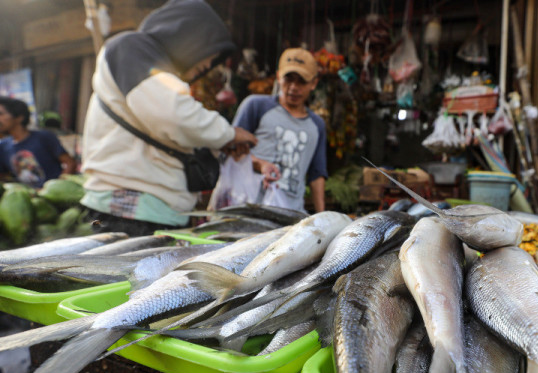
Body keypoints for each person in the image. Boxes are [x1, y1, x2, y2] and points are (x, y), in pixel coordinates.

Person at [80, 0, 265, 235]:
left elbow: (169, 129)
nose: (208, 65)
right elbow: (174, 116)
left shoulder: (157, 75)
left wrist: (219, 148)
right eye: (209, 54)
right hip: (131, 210)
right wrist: (228, 133)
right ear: (190, 36)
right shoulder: (131, 47)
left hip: (148, 210)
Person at [230, 47, 328, 213]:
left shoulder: (317, 125)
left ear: (314, 83)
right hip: (248, 208)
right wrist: (261, 165)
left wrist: (323, 218)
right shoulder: (256, 106)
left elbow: (316, 175)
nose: (293, 87)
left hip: (290, 216)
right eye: (288, 79)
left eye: (301, 81)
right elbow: (231, 150)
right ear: (278, 76)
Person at [0, 97, 75, 187]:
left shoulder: (43, 137)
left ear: (19, 118)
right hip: (28, 198)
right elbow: (3, 176)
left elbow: (70, 163)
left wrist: (57, 187)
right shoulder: (3, 146)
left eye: (1, 114)